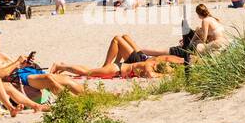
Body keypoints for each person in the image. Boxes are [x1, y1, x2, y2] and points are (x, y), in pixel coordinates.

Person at [0, 25, 83, 98]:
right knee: (49, 78)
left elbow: (15, 66)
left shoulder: (0, 53)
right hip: (20, 78)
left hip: (26, 72)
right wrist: (17, 62)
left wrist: (24, 63)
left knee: (65, 79)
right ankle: (71, 102)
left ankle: (90, 96)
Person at [50, 34, 185, 79]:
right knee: (88, 72)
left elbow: (171, 59)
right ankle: (61, 66)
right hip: (116, 70)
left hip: (119, 67)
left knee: (89, 71)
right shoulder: (149, 67)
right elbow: (152, 75)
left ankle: (63, 65)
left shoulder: (156, 61)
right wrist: (166, 75)